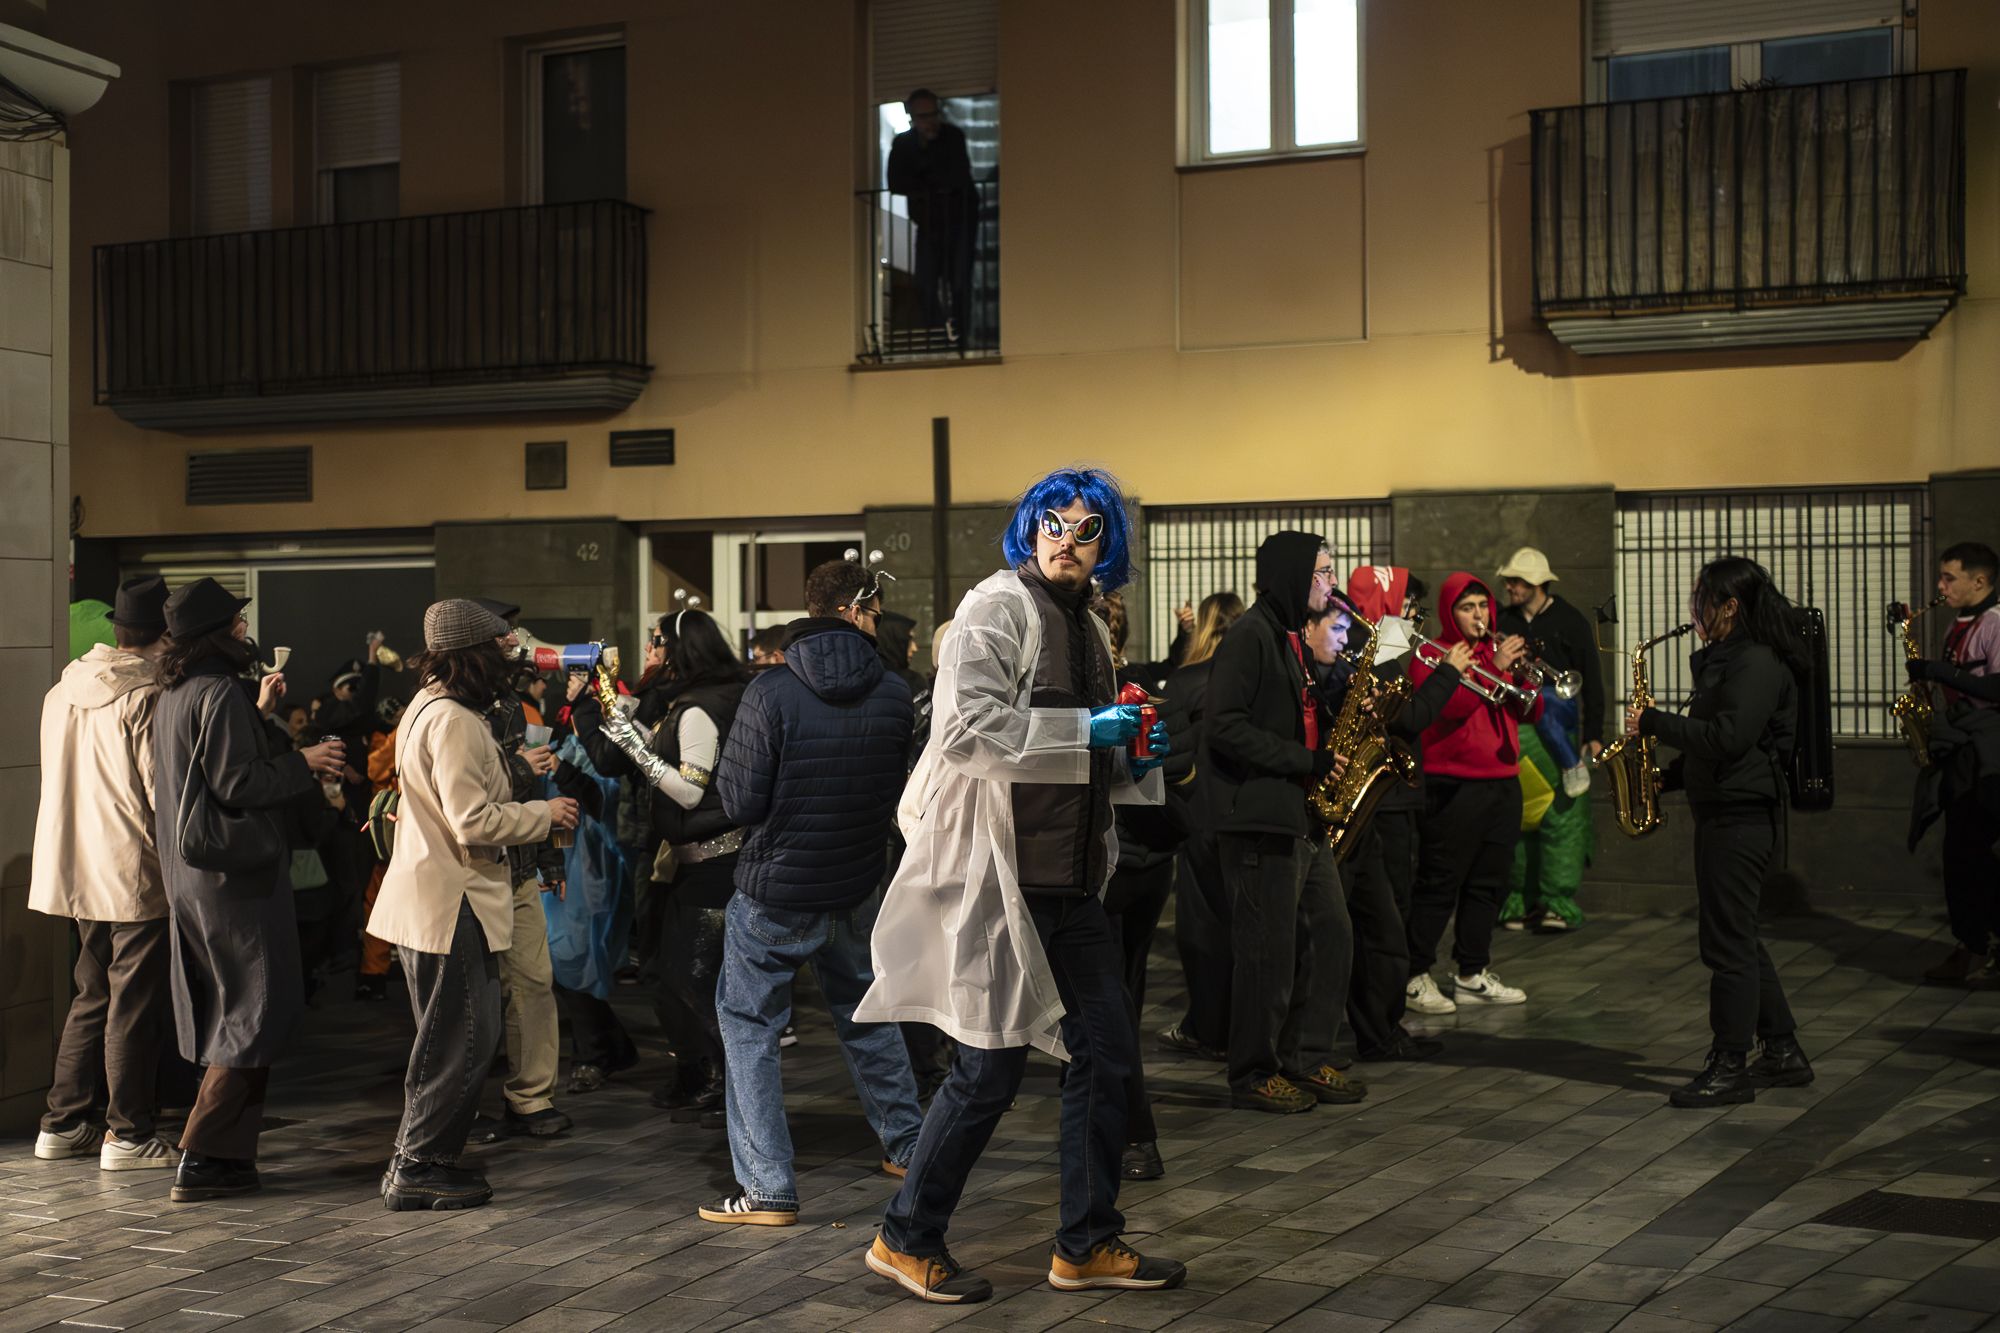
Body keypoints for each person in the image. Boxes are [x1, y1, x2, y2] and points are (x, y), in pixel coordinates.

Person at [854, 467, 1181, 1304]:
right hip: (996, 876)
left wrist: (1131, 757)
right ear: (1030, 529)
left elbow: (1082, 766)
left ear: (1109, 541)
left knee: (1108, 1057)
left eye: (1087, 530)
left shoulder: (1094, 631)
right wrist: (1088, 729)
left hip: (1068, 880)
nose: (1068, 543)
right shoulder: (995, 609)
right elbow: (966, 731)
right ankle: (906, 1235)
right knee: (987, 1069)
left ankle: (1086, 1241)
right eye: (1055, 525)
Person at [698, 557, 920, 1226]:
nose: (879, 621)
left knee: (748, 1027)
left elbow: (737, 800)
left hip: (776, 888)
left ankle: (768, 1188)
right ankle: (909, 1145)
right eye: (876, 610)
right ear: (855, 609)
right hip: (854, 883)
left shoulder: (770, 691)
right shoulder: (892, 692)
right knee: (868, 1015)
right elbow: (896, 792)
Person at [367, 600, 578, 1209]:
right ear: (474, 656)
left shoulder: (426, 707)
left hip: (431, 897)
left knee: (447, 1037)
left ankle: (418, 1160)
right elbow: (472, 819)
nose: (509, 660)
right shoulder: (455, 719)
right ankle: (419, 1166)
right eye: (500, 650)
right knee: (462, 1039)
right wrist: (543, 814)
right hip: (450, 900)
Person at [152, 578, 345, 1202]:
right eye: (236, 621)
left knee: (235, 1009)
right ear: (215, 633)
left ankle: (230, 1156)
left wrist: (256, 713)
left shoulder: (179, 693)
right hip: (234, 877)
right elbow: (237, 783)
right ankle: (203, 1154)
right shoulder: (218, 693)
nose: (244, 629)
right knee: (253, 1009)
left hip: (194, 877)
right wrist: (304, 764)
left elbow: (206, 768)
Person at [1627, 558, 1812, 1107]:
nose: (1694, 609)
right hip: (1722, 809)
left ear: (1730, 606)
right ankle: (1781, 1051)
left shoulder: (1755, 661)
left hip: (1742, 817)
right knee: (1738, 936)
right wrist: (1666, 778)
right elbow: (1719, 744)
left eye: (1702, 599)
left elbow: (1731, 738)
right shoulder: (1729, 659)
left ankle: (1730, 1064)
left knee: (1726, 944)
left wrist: (1654, 724)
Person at [1205, 533, 1362, 1114]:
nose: (1330, 582)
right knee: (1266, 953)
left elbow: (1289, 715)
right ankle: (1253, 1071)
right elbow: (1224, 725)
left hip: (1299, 816)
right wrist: (1307, 759)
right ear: (1294, 575)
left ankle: (1305, 1054)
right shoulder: (1249, 637)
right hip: (1258, 820)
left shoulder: (1290, 637)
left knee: (1330, 935)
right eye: (1322, 572)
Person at [576, 608, 751, 1128]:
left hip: (714, 863)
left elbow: (690, 790)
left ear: (680, 650)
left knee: (694, 980)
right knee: (692, 978)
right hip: (710, 862)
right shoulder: (709, 700)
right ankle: (717, 1082)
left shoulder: (698, 708)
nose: (651, 650)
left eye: (657, 642)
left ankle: (723, 1085)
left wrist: (632, 746)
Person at [31, 576, 179, 1170]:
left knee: (90, 994)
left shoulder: (60, 690)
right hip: (131, 867)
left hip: (76, 865)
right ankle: (127, 1132)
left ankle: (63, 1123)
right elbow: (159, 792)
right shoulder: (144, 697)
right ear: (163, 637)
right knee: (133, 1003)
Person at [1342, 567, 1463, 1062]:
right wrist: (1450, 672)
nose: (1414, 614)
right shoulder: (1381, 647)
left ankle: (1383, 1023)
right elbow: (1409, 717)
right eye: (1408, 602)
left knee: (1389, 916)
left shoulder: (1389, 643)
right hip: (1383, 802)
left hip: (1394, 797)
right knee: (1386, 921)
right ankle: (1379, 1027)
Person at [1404, 574, 1540, 1016]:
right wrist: (1497, 667)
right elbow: (1443, 711)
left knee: (1489, 882)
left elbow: (1530, 710)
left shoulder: (1492, 653)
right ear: (1449, 612)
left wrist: (1526, 677)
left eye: (1483, 605)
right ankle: (1413, 972)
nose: (1479, 614)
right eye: (1468, 607)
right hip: (1453, 785)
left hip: (1502, 780)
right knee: (1440, 881)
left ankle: (1471, 973)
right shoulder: (1433, 653)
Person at [1495, 548, 1607, 934]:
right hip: (1514, 727)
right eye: (1509, 581)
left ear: (1538, 584)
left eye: (1518, 582)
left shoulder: (1569, 619)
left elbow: (1591, 677)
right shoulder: (1503, 618)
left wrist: (1593, 734)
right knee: (1518, 822)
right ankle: (1518, 900)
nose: (1510, 587)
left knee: (1561, 821)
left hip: (1558, 720)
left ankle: (1557, 901)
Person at [1157, 592, 1243, 1061]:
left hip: (1200, 816)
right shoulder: (1251, 680)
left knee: (1204, 927)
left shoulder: (1187, 681)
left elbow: (1166, 750)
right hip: (1247, 812)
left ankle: (1207, 1027)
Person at [1909, 542, 2000, 985]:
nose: (1940, 586)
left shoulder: (1996, 623)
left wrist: (1938, 672)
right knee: (1962, 853)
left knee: (1971, 852)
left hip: (1990, 753)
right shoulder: (1957, 624)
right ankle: (1973, 944)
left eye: (1949, 578)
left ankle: (1979, 946)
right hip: (1961, 750)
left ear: (1979, 581)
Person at [886, 87, 978, 342]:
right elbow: (896, 182)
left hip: (959, 223)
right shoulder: (904, 144)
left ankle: (960, 338)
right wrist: (930, 181)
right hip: (928, 224)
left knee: (959, 284)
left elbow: (956, 176)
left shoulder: (953, 137)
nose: (930, 120)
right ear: (912, 118)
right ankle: (939, 336)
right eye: (923, 116)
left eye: (933, 114)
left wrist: (923, 180)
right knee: (924, 284)